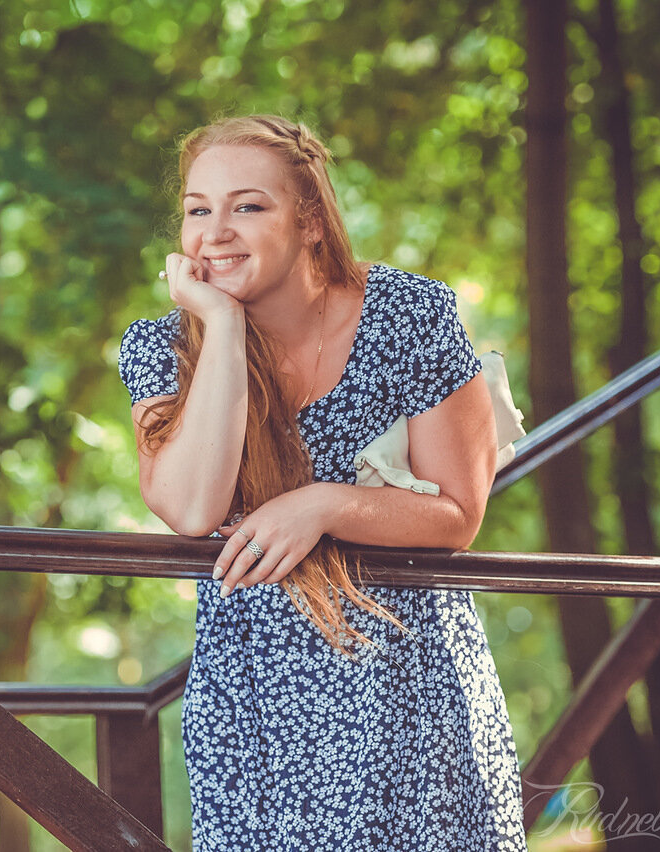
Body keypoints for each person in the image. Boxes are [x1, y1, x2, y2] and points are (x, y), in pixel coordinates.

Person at [117, 115, 527, 850]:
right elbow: (189, 505)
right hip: (255, 706)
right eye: (197, 209)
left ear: (309, 220)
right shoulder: (164, 346)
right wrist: (221, 323)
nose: (215, 232)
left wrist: (324, 504)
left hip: (409, 684)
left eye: (248, 206)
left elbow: (457, 514)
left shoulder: (409, 313)